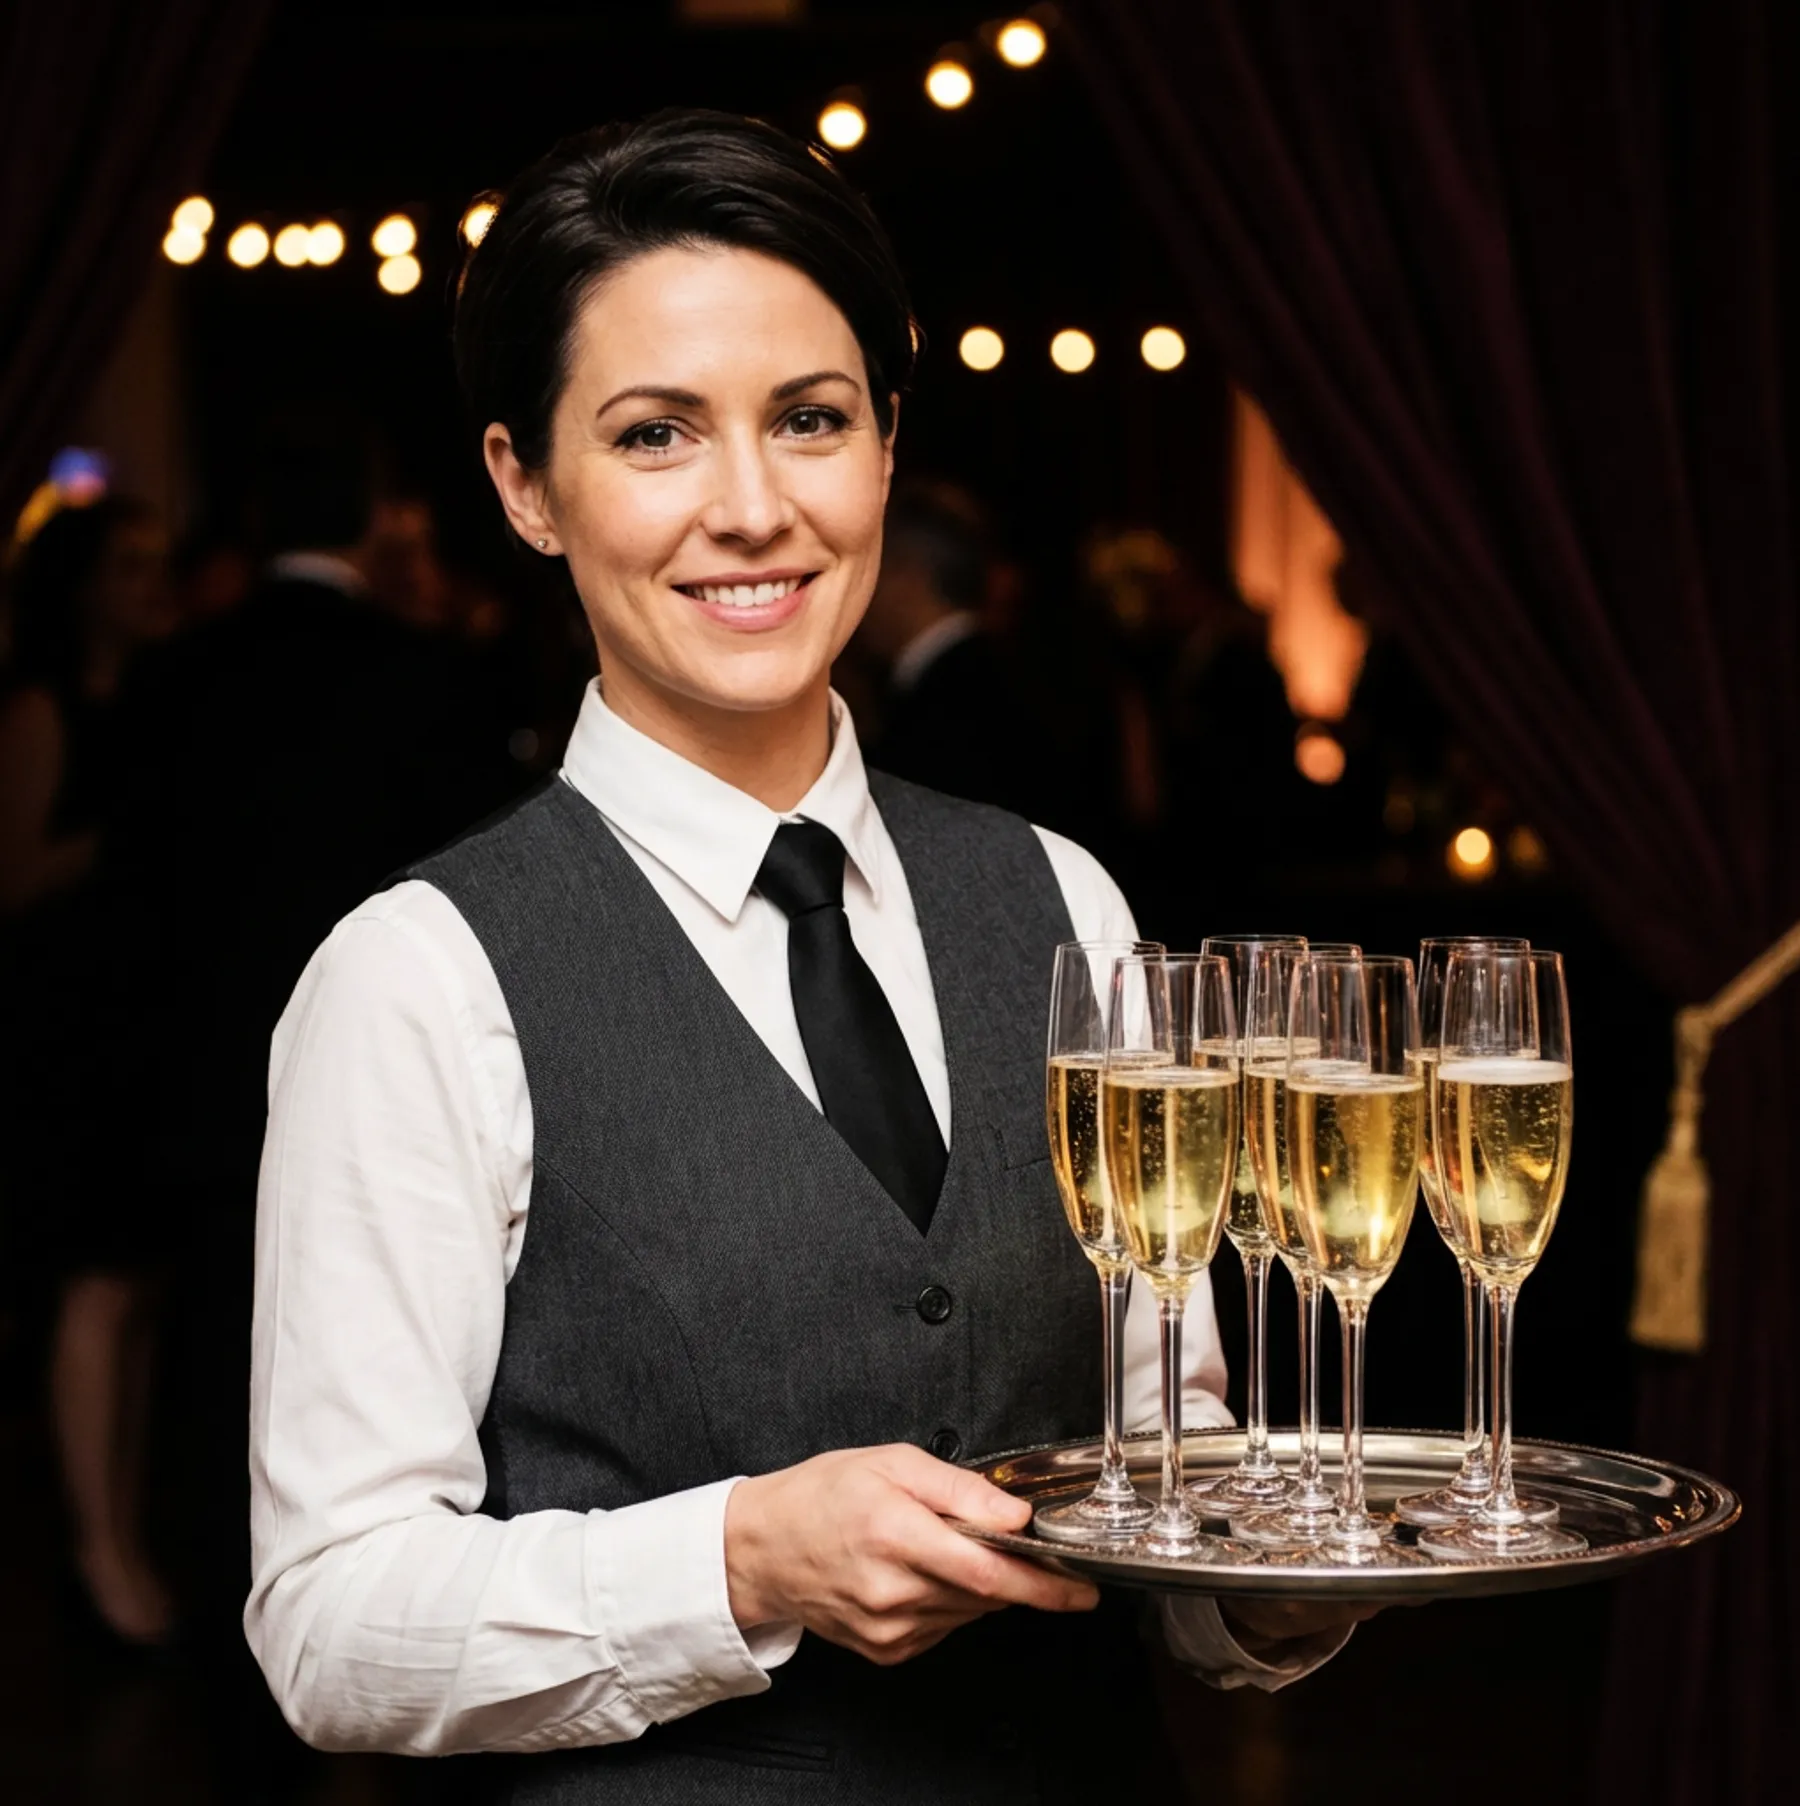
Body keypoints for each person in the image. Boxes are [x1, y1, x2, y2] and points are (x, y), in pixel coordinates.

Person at [244, 111, 1364, 1803]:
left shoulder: (1066, 901)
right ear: (524, 486)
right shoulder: (417, 979)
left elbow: (1164, 1459)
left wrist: (1278, 1589)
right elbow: (328, 1624)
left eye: (811, 420)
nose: (753, 509)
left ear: (888, 447)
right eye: (654, 436)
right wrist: (739, 1564)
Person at [0, 496, 175, 1647]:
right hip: (62, 1024)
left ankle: (123, 1537)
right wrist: (138, 838)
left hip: (140, 1017)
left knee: (142, 1287)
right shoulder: (38, 708)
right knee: (96, 1286)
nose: (150, 584)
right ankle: (95, 1552)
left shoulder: (166, 697)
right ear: (78, 584)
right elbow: (13, 873)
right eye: (128, 566)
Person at [853, 479, 1042, 816]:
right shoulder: (1019, 672)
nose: (855, 598)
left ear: (905, 576)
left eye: (865, 572)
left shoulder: (944, 706)